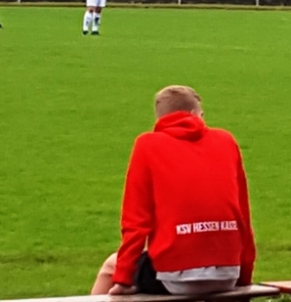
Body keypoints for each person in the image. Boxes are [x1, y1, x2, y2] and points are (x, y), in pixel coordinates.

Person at [90, 85, 256, 296]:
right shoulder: (226, 140)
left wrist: (123, 279)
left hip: (175, 276)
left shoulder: (147, 145)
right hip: (228, 273)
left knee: (109, 267)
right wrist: (244, 276)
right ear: (195, 113)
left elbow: (136, 221)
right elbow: (243, 216)